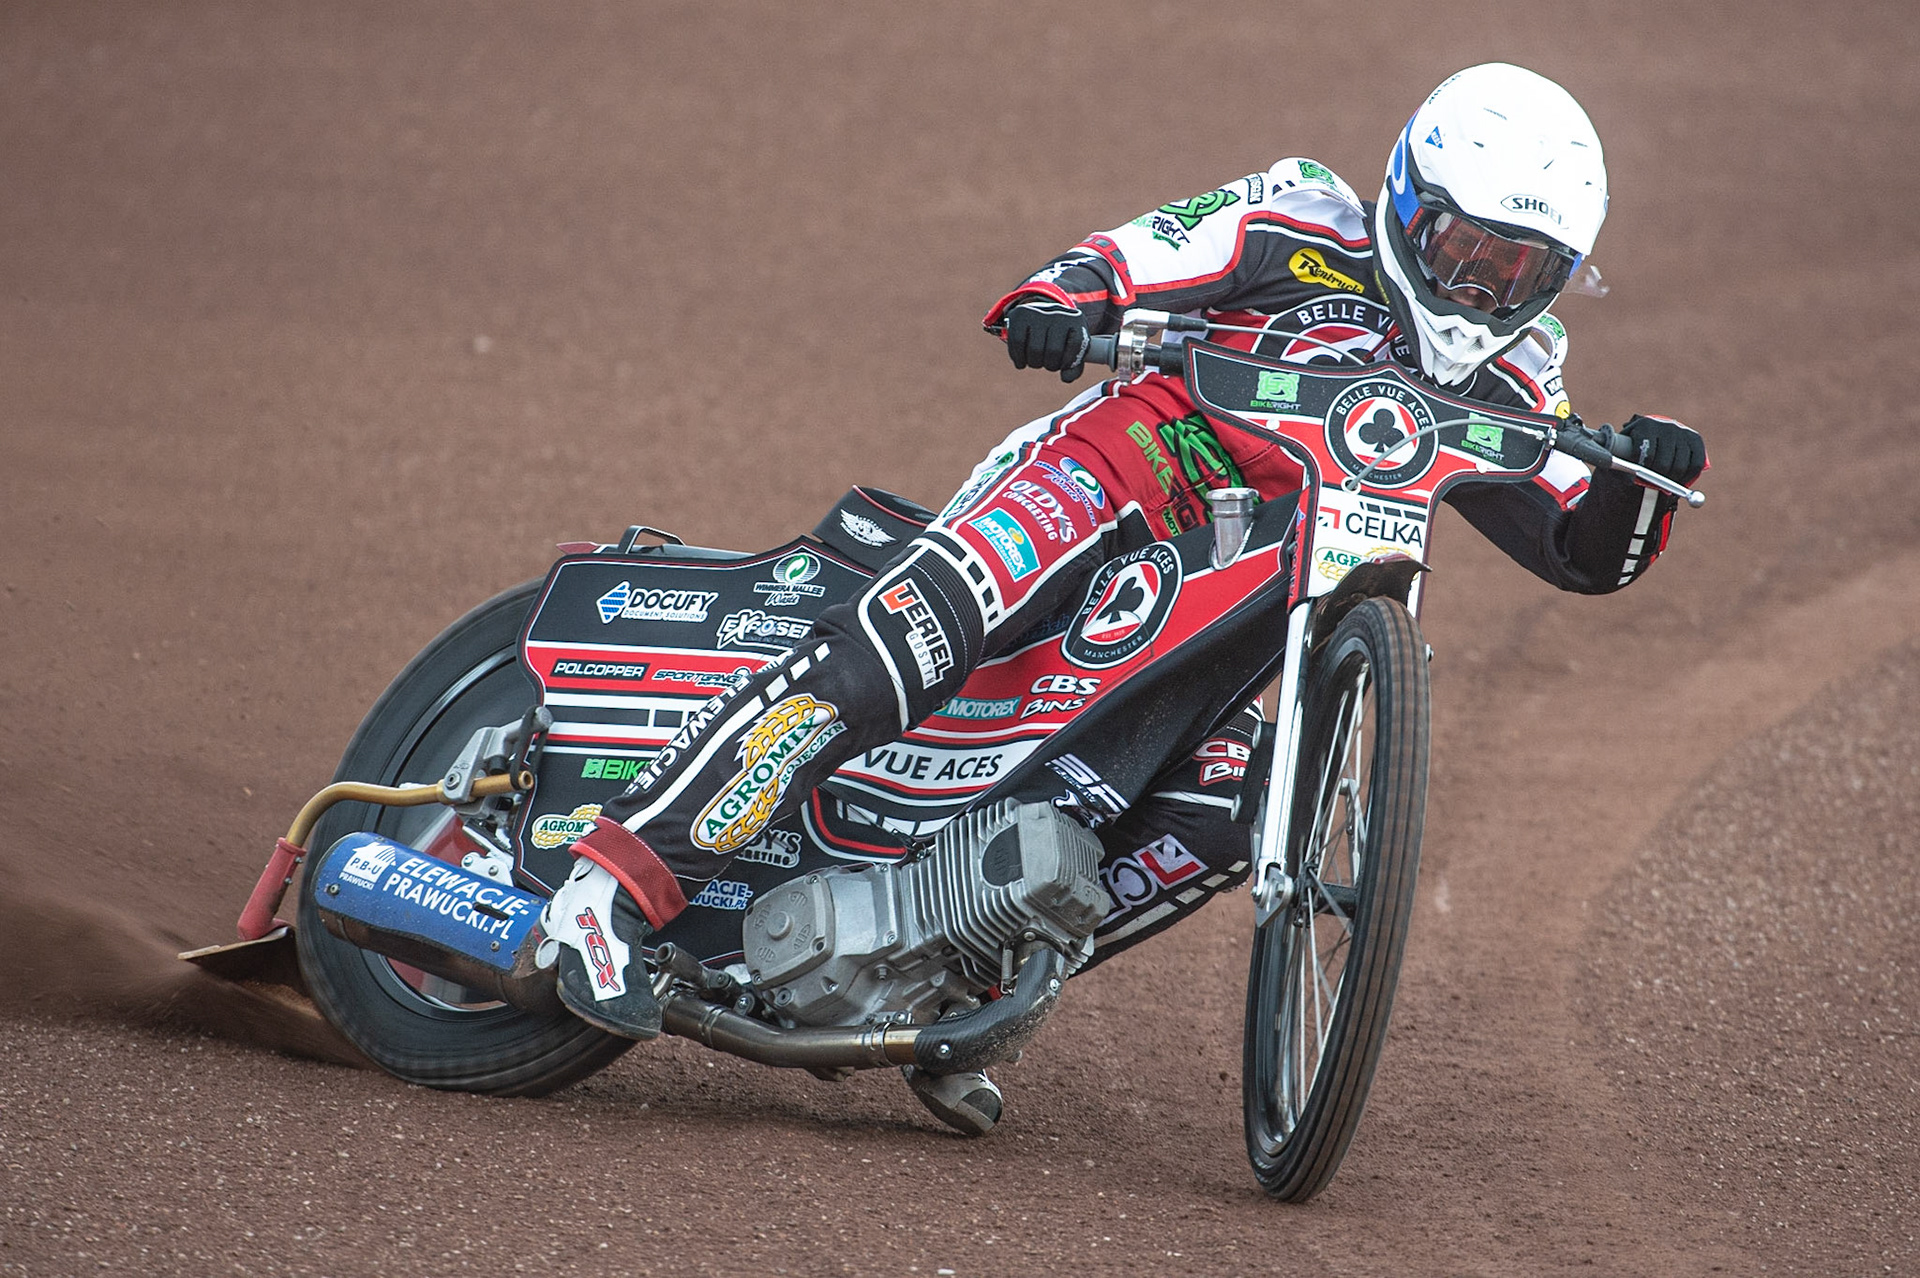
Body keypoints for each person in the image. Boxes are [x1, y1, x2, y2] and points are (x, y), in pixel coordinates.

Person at [526, 63, 1706, 1069]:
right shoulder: (1301, 213)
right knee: (942, 615)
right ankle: (611, 884)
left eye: (1523, 274)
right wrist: (1064, 298)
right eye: (1465, 252)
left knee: (1231, 812)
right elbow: (1139, 253)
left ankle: (954, 978)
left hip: (1267, 597)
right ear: (1408, 198)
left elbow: (1580, 545)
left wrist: (1635, 487)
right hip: (1132, 467)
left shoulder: (1519, 369)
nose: (1484, 294)